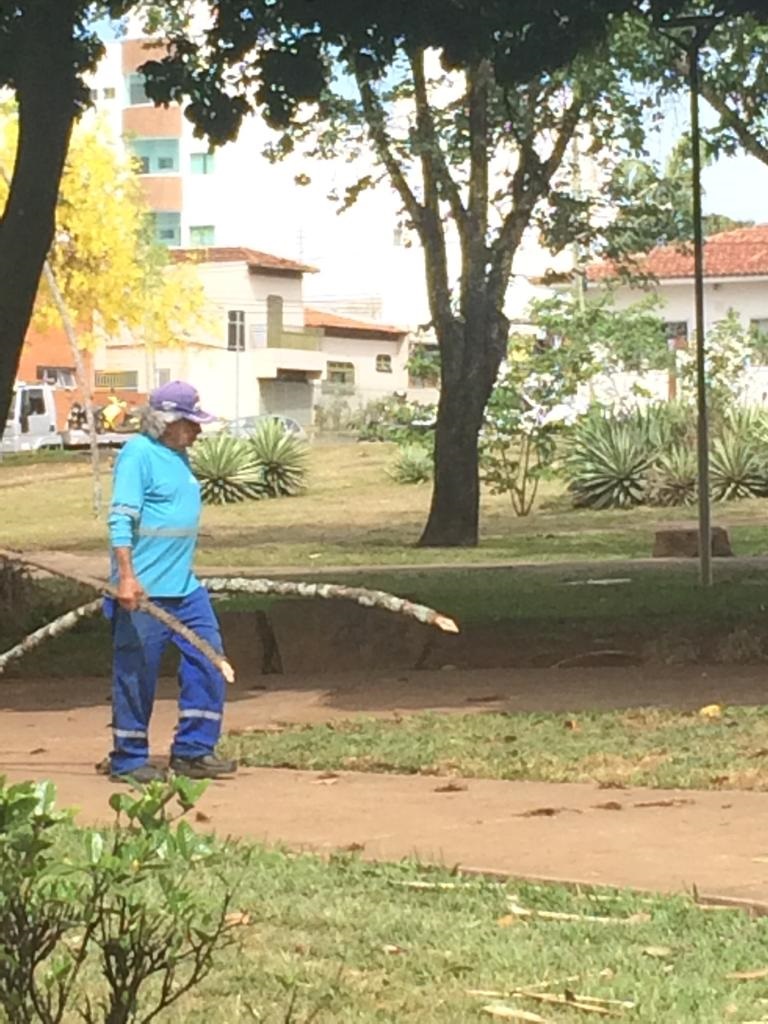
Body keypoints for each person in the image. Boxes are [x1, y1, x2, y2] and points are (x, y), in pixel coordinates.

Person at [106, 380, 237, 784]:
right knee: (136, 673)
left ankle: (194, 751)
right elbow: (120, 520)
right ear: (166, 422)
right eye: (191, 423)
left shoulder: (180, 457)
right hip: (143, 592)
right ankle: (128, 758)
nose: (197, 431)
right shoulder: (137, 455)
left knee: (209, 661)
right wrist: (127, 578)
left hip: (185, 589)